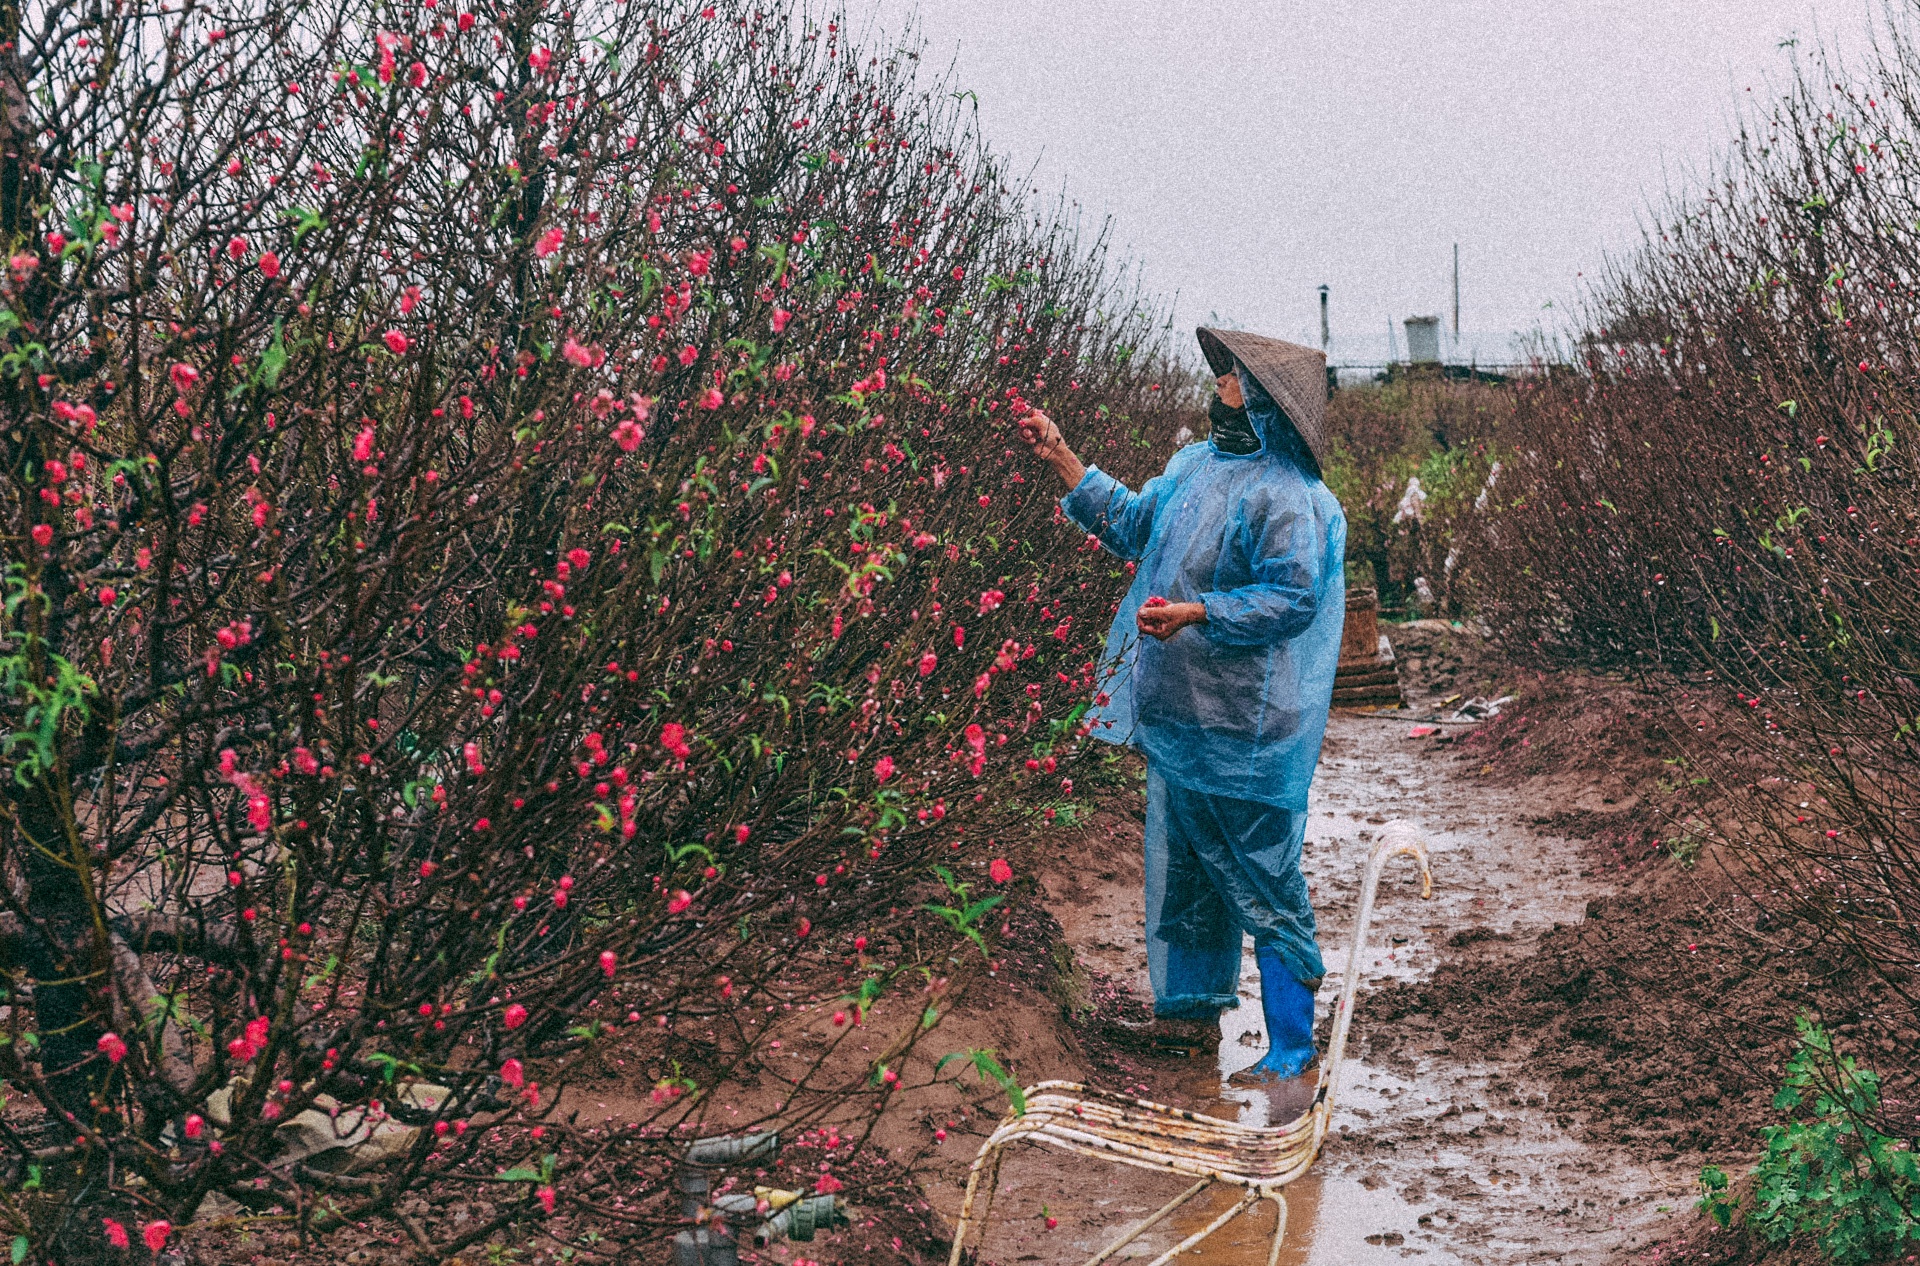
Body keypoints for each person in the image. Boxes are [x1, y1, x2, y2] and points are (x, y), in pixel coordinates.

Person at [1017, 327, 1347, 1086]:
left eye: (1231, 377)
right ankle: (1190, 1020)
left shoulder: (1292, 497)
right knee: (1186, 874)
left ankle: (1294, 1043)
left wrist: (1199, 614)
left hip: (1247, 733)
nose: (1219, 384)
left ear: (1261, 400)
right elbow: (1136, 526)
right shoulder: (1194, 467)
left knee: (1264, 879)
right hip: (1180, 722)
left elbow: (1292, 599)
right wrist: (1063, 456)